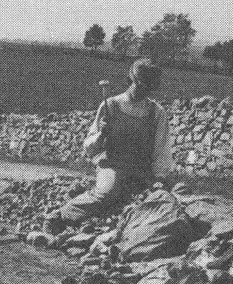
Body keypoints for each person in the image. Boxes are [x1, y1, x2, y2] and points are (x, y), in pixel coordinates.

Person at [43, 58, 174, 234]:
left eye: (149, 88)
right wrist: (102, 133)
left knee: (162, 200)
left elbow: (161, 149)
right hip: (112, 164)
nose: (144, 91)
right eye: (141, 86)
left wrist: (159, 178)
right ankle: (59, 216)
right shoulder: (110, 106)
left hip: (141, 170)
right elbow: (89, 147)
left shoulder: (157, 113)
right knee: (107, 193)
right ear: (131, 81)